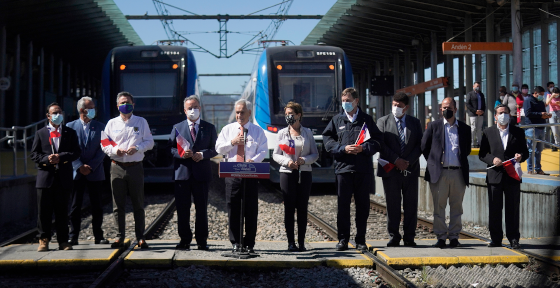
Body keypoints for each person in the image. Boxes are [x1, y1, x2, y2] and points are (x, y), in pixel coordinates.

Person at [322, 87, 383, 251]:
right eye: (343, 101)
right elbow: (327, 140)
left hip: (362, 170)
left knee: (362, 206)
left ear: (356, 101)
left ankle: (360, 240)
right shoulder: (336, 120)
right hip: (343, 170)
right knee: (343, 206)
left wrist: (364, 148)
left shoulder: (366, 120)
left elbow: (377, 141)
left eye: (348, 101)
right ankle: (343, 239)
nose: (345, 104)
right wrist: (342, 148)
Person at [102, 92, 154, 249]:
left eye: (128, 102)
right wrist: (115, 151)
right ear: (118, 106)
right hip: (116, 167)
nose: (126, 105)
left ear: (133, 105)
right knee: (118, 205)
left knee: (138, 204)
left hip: (135, 167)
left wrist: (137, 148)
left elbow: (150, 142)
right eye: (123, 102)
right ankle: (120, 237)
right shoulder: (111, 123)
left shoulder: (141, 122)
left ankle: (140, 237)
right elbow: (104, 144)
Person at [215, 99, 268, 253]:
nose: (239, 115)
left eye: (242, 112)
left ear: (249, 113)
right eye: (237, 112)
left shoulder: (258, 131)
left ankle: (249, 243)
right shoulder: (227, 129)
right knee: (233, 207)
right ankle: (235, 242)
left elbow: (263, 150)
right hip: (232, 174)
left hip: (251, 173)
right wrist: (232, 142)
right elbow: (218, 148)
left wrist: (254, 160)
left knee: (251, 209)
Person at [421, 97, 471, 248]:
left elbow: (466, 150)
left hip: (458, 173)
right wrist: (434, 162)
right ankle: (441, 237)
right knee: (439, 207)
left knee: (457, 207)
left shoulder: (464, 128)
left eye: (448, 107)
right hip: (439, 173)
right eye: (443, 107)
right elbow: (424, 147)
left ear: (455, 109)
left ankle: (454, 236)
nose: (445, 110)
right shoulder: (433, 126)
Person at [31, 102, 81, 252]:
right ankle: (43, 240)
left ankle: (63, 241)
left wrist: (61, 157)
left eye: (60, 112)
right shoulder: (40, 133)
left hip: (64, 179)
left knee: (62, 211)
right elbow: (34, 154)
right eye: (54, 113)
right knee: (44, 211)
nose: (58, 115)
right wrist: (47, 159)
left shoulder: (69, 133)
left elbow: (76, 152)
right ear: (48, 116)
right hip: (45, 179)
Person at [170, 95, 218, 251]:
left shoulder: (209, 127)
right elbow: (171, 149)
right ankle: (184, 240)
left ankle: (202, 241)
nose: (193, 110)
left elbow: (215, 149)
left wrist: (203, 154)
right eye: (190, 108)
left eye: (195, 107)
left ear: (200, 108)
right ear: (185, 110)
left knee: (202, 209)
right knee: (183, 209)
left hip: (201, 174)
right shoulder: (177, 127)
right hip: (182, 175)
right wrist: (180, 154)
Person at [376, 92, 423, 247]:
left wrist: (407, 162)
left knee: (411, 205)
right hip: (390, 170)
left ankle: (409, 237)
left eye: (399, 106)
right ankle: (394, 236)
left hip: (410, 170)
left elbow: (419, 145)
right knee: (392, 204)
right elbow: (381, 144)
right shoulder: (382, 122)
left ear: (406, 107)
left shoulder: (415, 123)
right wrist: (396, 160)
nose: (396, 108)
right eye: (394, 105)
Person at [479, 104, 528, 249]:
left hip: (512, 176)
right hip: (495, 176)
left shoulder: (518, 132)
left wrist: (520, 157)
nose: (503, 115)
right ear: (495, 116)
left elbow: (525, 152)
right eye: (500, 113)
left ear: (509, 115)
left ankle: (513, 238)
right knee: (495, 208)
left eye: (506, 112)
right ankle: (496, 239)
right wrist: (492, 159)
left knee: (512, 209)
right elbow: (483, 154)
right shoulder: (488, 132)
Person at [272, 101, 318, 252]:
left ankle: (302, 242)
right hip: (287, 173)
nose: (288, 117)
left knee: (303, 208)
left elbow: (315, 154)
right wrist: (287, 162)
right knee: (289, 208)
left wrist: (304, 160)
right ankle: (291, 242)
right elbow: (276, 155)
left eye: (291, 114)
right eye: (286, 115)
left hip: (304, 173)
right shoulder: (282, 133)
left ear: (299, 115)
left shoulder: (308, 133)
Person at [66, 97, 108, 245]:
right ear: (81, 110)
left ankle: (98, 235)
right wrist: (79, 166)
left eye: (93, 107)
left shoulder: (101, 126)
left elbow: (103, 149)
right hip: (76, 172)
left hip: (95, 172)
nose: (93, 110)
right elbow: (67, 149)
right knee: (75, 206)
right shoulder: (69, 127)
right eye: (90, 108)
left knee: (97, 205)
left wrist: (91, 166)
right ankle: (73, 236)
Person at [523, 86, 552, 175]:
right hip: (532, 128)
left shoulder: (541, 102)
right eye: (541, 95)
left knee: (539, 150)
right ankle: (530, 169)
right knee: (531, 150)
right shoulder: (528, 100)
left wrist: (546, 115)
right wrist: (540, 114)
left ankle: (538, 168)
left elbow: (542, 112)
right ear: (535, 93)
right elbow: (528, 113)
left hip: (541, 127)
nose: (542, 96)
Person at [466, 81, 485, 148]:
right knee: (473, 128)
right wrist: (475, 111)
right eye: (477, 86)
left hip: (480, 114)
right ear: (473, 86)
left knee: (479, 129)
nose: (478, 87)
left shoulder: (481, 94)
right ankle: (472, 143)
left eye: (479, 86)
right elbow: (468, 104)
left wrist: (482, 111)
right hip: (473, 114)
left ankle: (479, 142)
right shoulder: (470, 94)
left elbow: (484, 104)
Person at [546, 87, 560, 152]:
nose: (556, 95)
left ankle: (557, 144)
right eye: (555, 94)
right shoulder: (549, 95)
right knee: (554, 130)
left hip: (559, 112)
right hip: (552, 113)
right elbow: (547, 103)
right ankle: (557, 144)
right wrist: (552, 96)